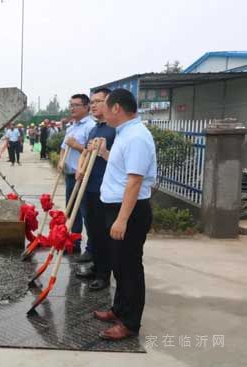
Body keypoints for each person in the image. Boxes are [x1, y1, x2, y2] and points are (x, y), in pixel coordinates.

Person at [93, 89, 156, 341]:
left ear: (116, 108)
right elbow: (122, 169)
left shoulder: (137, 137)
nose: (101, 111)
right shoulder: (125, 133)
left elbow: (134, 181)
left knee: (129, 268)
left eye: (104, 106)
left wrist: (121, 219)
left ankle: (130, 324)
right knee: (119, 265)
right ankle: (118, 309)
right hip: (116, 207)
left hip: (128, 211)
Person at [74, 88, 116, 291]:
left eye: (98, 101)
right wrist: (81, 169)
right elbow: (86, 152)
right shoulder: (96, 128)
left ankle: (103, 274)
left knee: (103, 233)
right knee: (93, 231)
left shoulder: (114, 129)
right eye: (92, 101)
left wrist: (103, 151)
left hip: (104, 189)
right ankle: (96, 266)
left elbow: (116, 160)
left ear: (109, 103)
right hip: (89, 187)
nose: (93, 105)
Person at [57, 94, 96, 254]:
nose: (72, 108)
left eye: (76, 105)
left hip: (84, 176)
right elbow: (64, 148)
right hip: (70, 174)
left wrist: (77, 145)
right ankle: (74, 242)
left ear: (86, 107)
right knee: (71, 210)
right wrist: (60, 161)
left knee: (86, 212)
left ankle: (92, 248)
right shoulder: (72, 127)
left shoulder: (91, 126)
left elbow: (92, 152)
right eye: (71, 105)